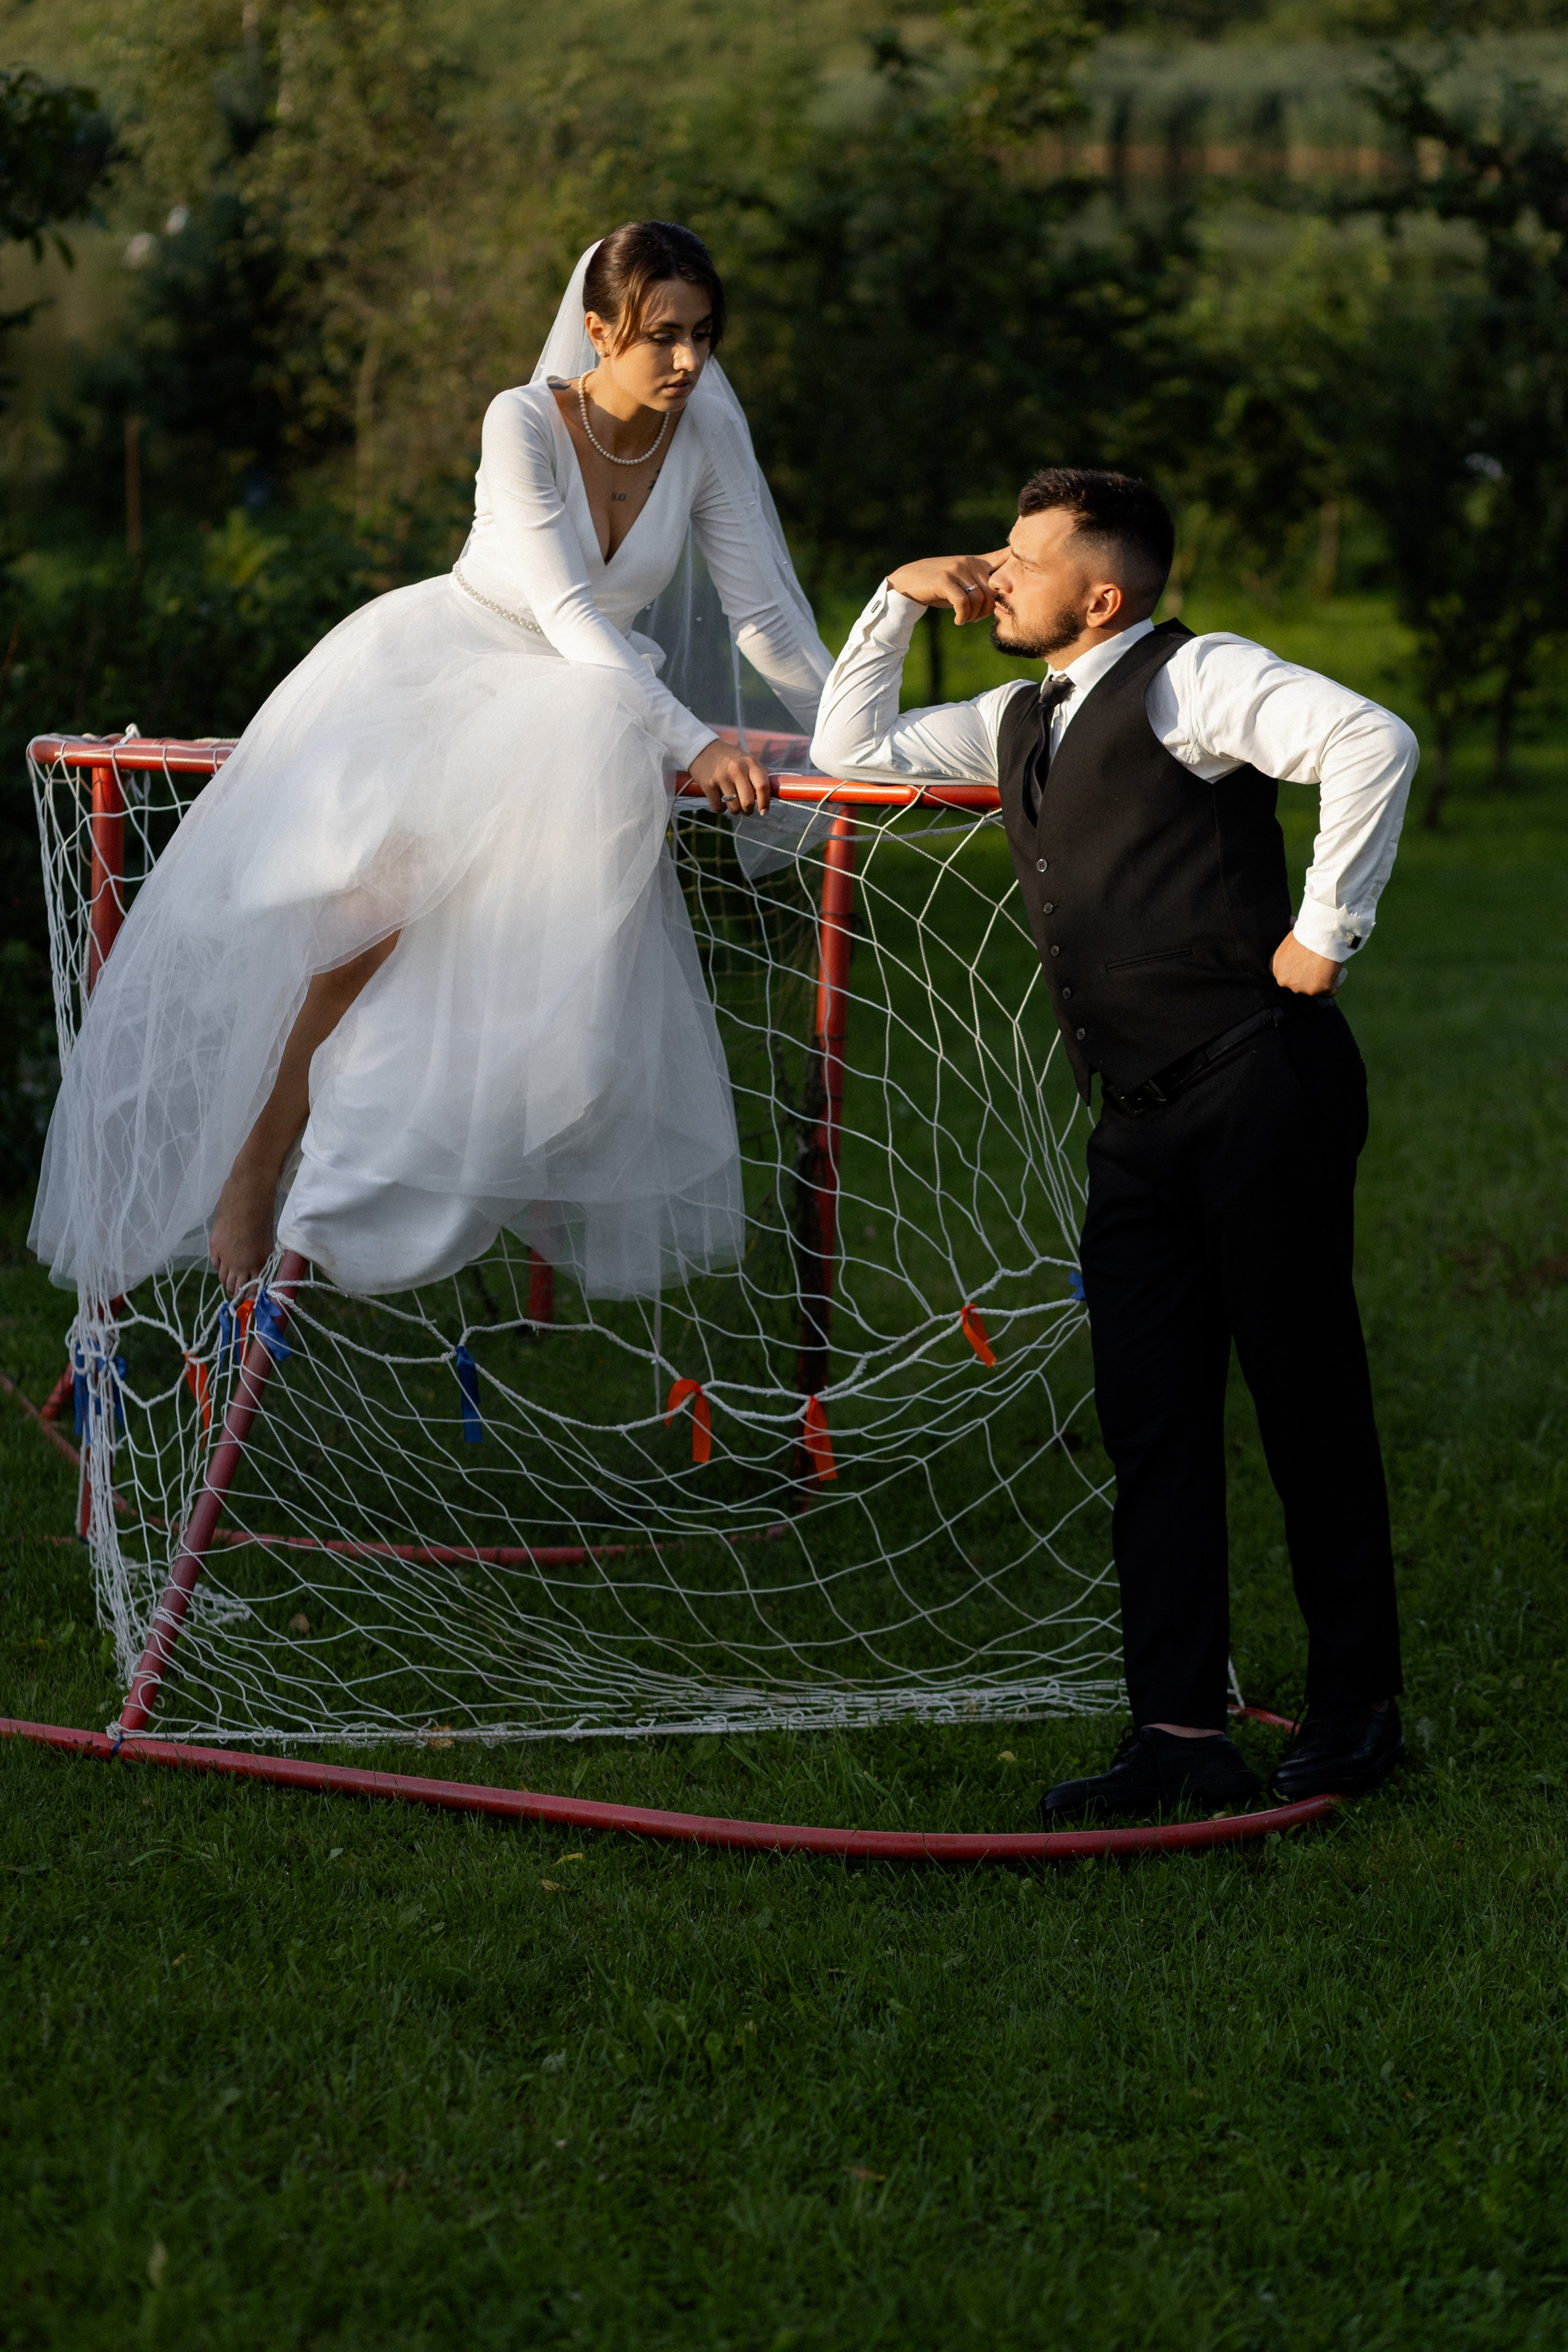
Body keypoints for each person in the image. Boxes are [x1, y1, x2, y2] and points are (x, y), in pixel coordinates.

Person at [32, 223, 831, 1307]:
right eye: (662, 337)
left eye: (704, 335)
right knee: (373, 912)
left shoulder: (705, 435)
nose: (689, 362)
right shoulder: (522, 420)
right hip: (458, 669)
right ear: (599, 332)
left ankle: (418, 1137)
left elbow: (769, 620)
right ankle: (259, 1160)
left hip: (582, 711)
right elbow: (568, 611)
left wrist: (858, 734)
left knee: (513, 945)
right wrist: (691, 739)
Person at [811, 468, 1417, 1814]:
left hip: (1260, 1086)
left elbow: (1371, 739)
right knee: (1150, 1421)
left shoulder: (1191, 679)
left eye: (1020, 559)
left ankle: (1357, 1709)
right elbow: (851, 753)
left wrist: (1324, 933)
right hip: (1135, 1120)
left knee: (1304, 1400)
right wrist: (895, 597)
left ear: (1099, 597)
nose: (993, 574)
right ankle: (1177, 1735)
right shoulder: (1019, 714)